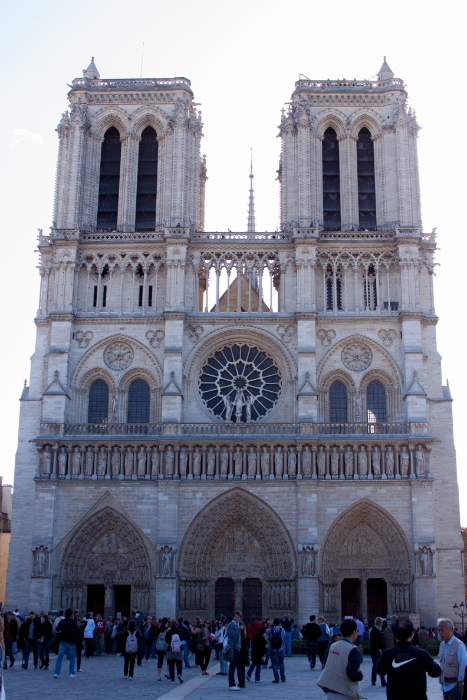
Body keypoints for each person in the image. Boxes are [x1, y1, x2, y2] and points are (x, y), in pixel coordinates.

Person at [376, 617, 441, 700]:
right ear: (412, 634)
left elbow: (379, 670)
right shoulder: (422, 654)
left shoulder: (387, 654)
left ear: (393, 634)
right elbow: (436, 672)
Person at [317, 618, 364, 699]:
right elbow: (351, 672)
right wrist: (360, 675)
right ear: (354, 632)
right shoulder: (353, 649)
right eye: (357, 630)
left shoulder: (333, 646)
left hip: (331, 689)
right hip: (344, 692)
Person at [437, 618, 467, 700]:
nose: (440, 633)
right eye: (439, 630)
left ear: (450, 630)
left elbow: (463, 664)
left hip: (455, 686)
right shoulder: (442, 645)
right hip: (444, 685)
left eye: (442, 630)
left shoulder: (459, 645)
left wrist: (460, 683)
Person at [54, 608, 79, 678]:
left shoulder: (62, 621)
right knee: (72, 658)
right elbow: (77, 630)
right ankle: (71, 673)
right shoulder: (73, 622)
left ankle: (56, 673)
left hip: (63, 640)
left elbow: (57, 629)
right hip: (71, 641)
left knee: (59, 657)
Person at [226, 610, 243, 691]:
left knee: (234, 666)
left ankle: (232, 683)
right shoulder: (231, 625)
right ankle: (232, 684)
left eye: (238, 617)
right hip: (233, 648)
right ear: (233, 616)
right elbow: (232, 635)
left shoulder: (237, 624)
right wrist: (239, 629)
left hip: (237, 648)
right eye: (236, 616)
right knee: (232, 667)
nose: (237, 618)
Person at [370, 617, 387, 687]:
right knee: (375, 665)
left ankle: (383, 681)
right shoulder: (373, 630)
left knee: (381, 665)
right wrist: (378, 648)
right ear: (380, 623)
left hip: (380, 650)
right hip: (374, 651)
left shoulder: (380, 630)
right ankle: (373, 680)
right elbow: (373, 641)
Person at [166, 619, 184, 683]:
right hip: (179, 649)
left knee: (171, 665)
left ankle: (172, 679)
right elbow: (182, 639)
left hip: (171, 650)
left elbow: (166, 641)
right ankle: (179, 674)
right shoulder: (180, 632)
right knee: (179, 663)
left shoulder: (169, 632)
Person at [269, 617, 286, 684]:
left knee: (274, 664)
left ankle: (277, 678)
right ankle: (283, 677)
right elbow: (283, 636)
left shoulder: (271, 630)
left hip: (273, 649)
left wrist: (270, 626)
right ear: (279, 623)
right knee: (281, 663)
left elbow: (267, 632)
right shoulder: (282, 630)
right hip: (280, 648)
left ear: (273, 622)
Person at [155, 617, 169, 681]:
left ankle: (158, 675)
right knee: (169, 660)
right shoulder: (168, 629)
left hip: (159, 646)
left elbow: (156, 636)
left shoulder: (158, 629)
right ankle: (167, 672)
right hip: (166, 646)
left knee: (160, 661)